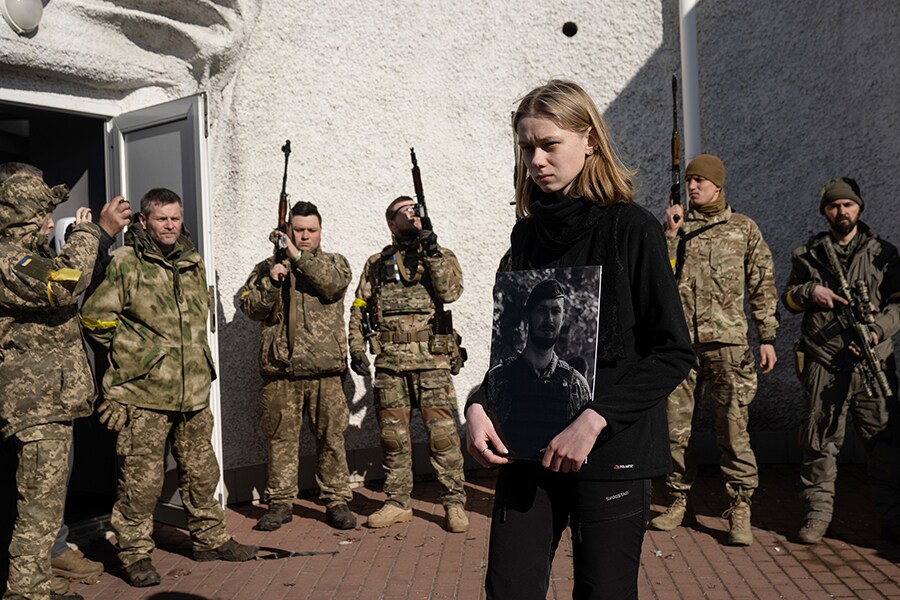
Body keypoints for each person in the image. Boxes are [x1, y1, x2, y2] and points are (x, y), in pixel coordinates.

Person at [465, 80, 694, 599]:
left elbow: (673, 351)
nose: (537, 160)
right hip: (526, 452)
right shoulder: (524, 236)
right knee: (509, 590)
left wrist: (593, 420)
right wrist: (479, 404)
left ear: (589, 140)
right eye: (527, 148)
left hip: (610, 453)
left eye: (550, 144)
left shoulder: (633, 229)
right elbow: (510, 349)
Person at [79, 188, 257, 588]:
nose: (171, 225)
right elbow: (94, 319)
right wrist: (137, 358)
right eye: (162, 219)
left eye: (175, 218)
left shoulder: (192, 263)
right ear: (143, 222)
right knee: (141, 483)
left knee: (201, 472)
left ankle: (210, 539)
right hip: (144, 395)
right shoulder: (126, 262)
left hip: (192, 390)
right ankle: (135, 554)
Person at [649, 154, 779, 546]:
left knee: (733, 429)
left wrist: (768, 336)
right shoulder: (678, 229)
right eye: (689, 181)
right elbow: (659, 278)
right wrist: (670, 234)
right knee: (675, 431)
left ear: (718, 185)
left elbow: (762, 285)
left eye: (700, 181)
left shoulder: (743, 229)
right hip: (681, 348)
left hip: (728, 346)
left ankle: (739, 507)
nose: (692, 187)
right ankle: (676, 500)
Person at [0, 162, 102, 600]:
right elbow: (64, 285)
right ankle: (26, 591)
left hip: (52, 399)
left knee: (44, 500)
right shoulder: (11, 257)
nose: (47, 213)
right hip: (36, 404)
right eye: (39, 203)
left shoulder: (26, 252)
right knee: (38, 507)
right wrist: (85, 236)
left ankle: (36, 579)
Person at [782, 177, 900, 544]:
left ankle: (894, 518)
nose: (841, 211)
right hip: (824, 361)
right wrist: (810, 291)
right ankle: (817, 515)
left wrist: (878, 330)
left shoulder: (884, 252)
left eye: (847, 205)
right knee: (819, 441)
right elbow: (787, 299)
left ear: (859, 207)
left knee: (887, 443)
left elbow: (898, 305)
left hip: (873, 363)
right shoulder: (808, 254)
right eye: (834, 206)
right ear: (825, 212)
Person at [348, 195, 469, 533]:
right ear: (390, 222)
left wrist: (432, 249)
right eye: (406, 211)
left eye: (417, 210)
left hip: (432, 362)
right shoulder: (376, 263)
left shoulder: (439, 256)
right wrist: (356, 347)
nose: (414, 215)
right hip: (391, 365)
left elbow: (450, 293)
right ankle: (397, 502)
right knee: (392, 439)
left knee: (443, 436)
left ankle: (454, 502)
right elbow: (359, 306)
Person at [238, 201, 357, 531]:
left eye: (311, 231)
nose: (304, 236)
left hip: (326, 371)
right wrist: (272, 282)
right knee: (280, 441)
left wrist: (297, 258)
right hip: (282, 372)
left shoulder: (335, 263)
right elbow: (249, 307)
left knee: (332, 440)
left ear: (320, 232)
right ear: (287, 229)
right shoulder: (266, 268)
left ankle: (336, 501)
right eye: (298, 230)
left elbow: (332, 286)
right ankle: (279, 503)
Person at [484, 278, 592, 459]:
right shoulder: (499, 379)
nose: (549, 319)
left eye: (555, 311)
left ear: (562, 318)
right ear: (528, 315)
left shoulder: (576, 385)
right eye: (541, 311)